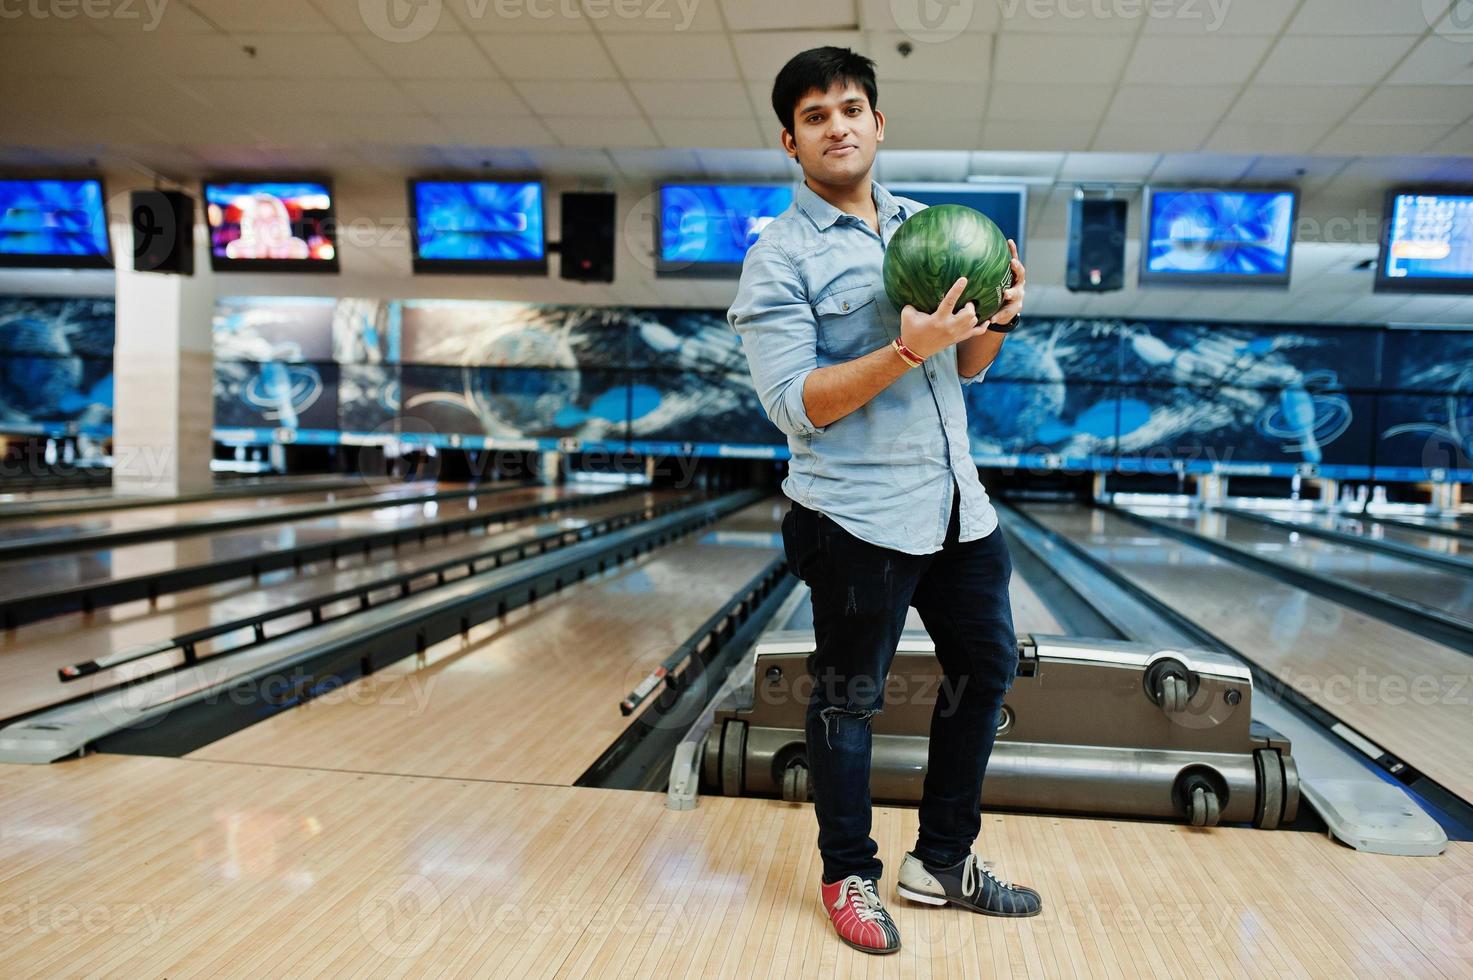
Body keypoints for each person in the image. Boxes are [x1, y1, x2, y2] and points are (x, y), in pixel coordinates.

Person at [727, 46, 1041, 956]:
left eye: (851, 108)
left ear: (877, 123)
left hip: (956, 509)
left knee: (985, 670)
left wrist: (998, 322)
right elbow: (798, 406)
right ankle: (847, 874)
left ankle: (942, 860)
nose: (838, 126)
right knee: (848, 698)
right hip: (855, 518)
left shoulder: (926, 227)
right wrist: (902, 350)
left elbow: (968, 365)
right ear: (790, 140)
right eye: (816, 116)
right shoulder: (777, 260)